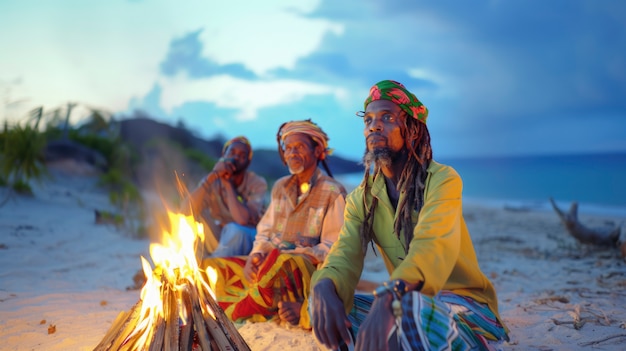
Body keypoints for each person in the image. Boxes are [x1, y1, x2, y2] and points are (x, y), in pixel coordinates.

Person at [310, 80, 510, 351]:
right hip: (401, 299)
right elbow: (345, 253)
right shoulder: (361, 198)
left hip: (467, 306)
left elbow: (431, 244)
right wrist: (324, 285)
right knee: (329, 305)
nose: (374, 126)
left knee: (407, 309)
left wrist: (390, 297)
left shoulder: (442, 179)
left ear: (413, 130)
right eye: (368, 120)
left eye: (387, 117)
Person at [203, 119, 347, 329]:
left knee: (281, 264)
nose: (292, 153)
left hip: (304, 269)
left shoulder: (333, 191)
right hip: (272, 261)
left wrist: (293, 254)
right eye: (288, 148)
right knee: (211, 267)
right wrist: (256, 255)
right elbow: (265, 232)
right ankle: (257, 300)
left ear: (317, 151)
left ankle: (262, 304)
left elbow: (334, 247)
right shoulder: (280, 186)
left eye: (299, 147)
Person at [182, 136, 267, 257]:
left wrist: (227, 183)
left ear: (248, 162)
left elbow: (242, 220)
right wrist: (212, 175)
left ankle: (214, 265)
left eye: (242, 155)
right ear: (223, 155)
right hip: (221, 235)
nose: (236, 157)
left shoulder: (257, 183)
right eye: (232, 152)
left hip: (247, 235)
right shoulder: (213, 180)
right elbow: (185, 210)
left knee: (235, 231)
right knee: (192, 221)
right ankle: (191, 266)